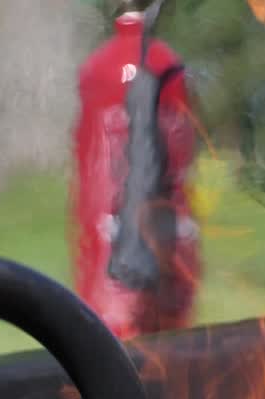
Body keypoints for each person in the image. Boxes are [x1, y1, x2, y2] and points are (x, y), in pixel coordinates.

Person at [71, 0, 200, 340]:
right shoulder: (165, 65)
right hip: (153, 247)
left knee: (125, 352)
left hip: (122, 253)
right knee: (167, 355)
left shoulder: (102, 69)